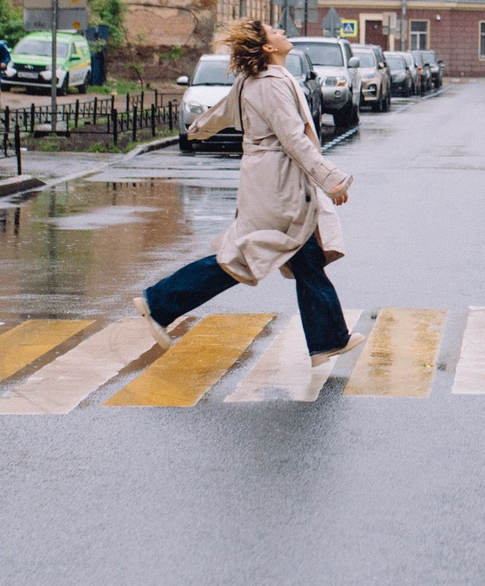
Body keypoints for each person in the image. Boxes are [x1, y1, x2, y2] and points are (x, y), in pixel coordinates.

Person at [139, 18, 359, 359]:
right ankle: (159, 302)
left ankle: (329, 340)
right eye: (275, 31)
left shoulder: (256, 80)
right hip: (279, 189)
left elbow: (222, 112)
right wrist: (332, 180)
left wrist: (197, 128)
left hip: (271, 184)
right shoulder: (270, 84)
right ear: (268, 47)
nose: (282, 32)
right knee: (240, 260)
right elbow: (294, 139)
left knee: (307, 260)